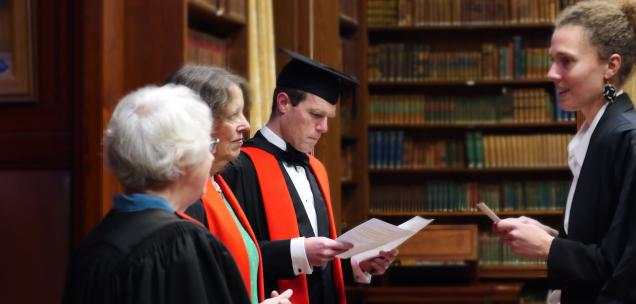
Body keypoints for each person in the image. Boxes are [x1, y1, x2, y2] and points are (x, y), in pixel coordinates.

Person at [493, 0, 636, 303]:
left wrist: (549, 248)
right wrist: (549, 237)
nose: (551, 73)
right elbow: (611, 248)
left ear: (611, 66)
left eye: (566, 61)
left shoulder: (634, 141)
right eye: (553, 60)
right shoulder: (598, 135)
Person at [222, 49, 398, 304]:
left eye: (328, 118)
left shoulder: (316, 169)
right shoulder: (238, 167)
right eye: (316, 115)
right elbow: (229, 255)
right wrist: (297, 252)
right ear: (283, 103)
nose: (324, 128)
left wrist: (357, 263)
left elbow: (319, 270)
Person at [62, 84, 250, 304]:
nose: (210, 158)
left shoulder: (94, 243)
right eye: (208, 146)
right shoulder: (182, 246)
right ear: (181, 160)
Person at [168, 64, 292, 304]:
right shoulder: (188, 199)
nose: (246, 124)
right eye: (233, 115)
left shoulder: (220, 182)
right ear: (200, 123)